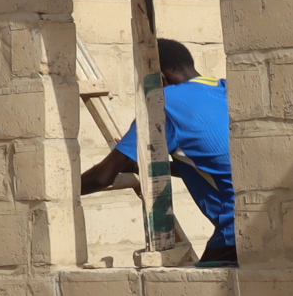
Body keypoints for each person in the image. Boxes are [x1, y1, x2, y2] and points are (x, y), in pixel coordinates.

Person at [77, 38, 239, 266]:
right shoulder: (225, 89)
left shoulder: (163, 104)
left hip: (237, 226)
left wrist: (62, 193)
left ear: (161, 77)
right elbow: (210, 163)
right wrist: (137, 164)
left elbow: (104, 176)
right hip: (271, 213)